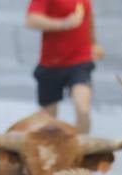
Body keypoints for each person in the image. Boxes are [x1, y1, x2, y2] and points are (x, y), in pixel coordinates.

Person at [24, 0, 103, 134]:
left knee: (83, 108)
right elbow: (31, 20)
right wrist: (63, 24)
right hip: (51, 64)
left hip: (80, 62)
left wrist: (94, 43)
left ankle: (79, 149)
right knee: (48, 119)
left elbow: (88, 17)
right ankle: (52, 151)